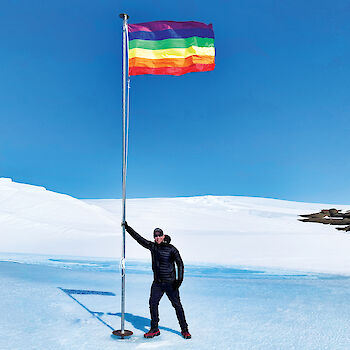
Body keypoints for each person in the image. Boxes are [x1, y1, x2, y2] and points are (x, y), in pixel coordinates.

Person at [122, 221, 191, 339]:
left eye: (159, 235)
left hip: (170, 283)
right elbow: (139, 239)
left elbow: (180, 264)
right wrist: (127, 228)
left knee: (177, 305)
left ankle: (184, 330)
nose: (157, 238)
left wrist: (179, 280)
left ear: (163, 236)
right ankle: (154, 329)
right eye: (155, 236)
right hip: (157, 283)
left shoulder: (171, 249)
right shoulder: (152, 247)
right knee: (153, 303)